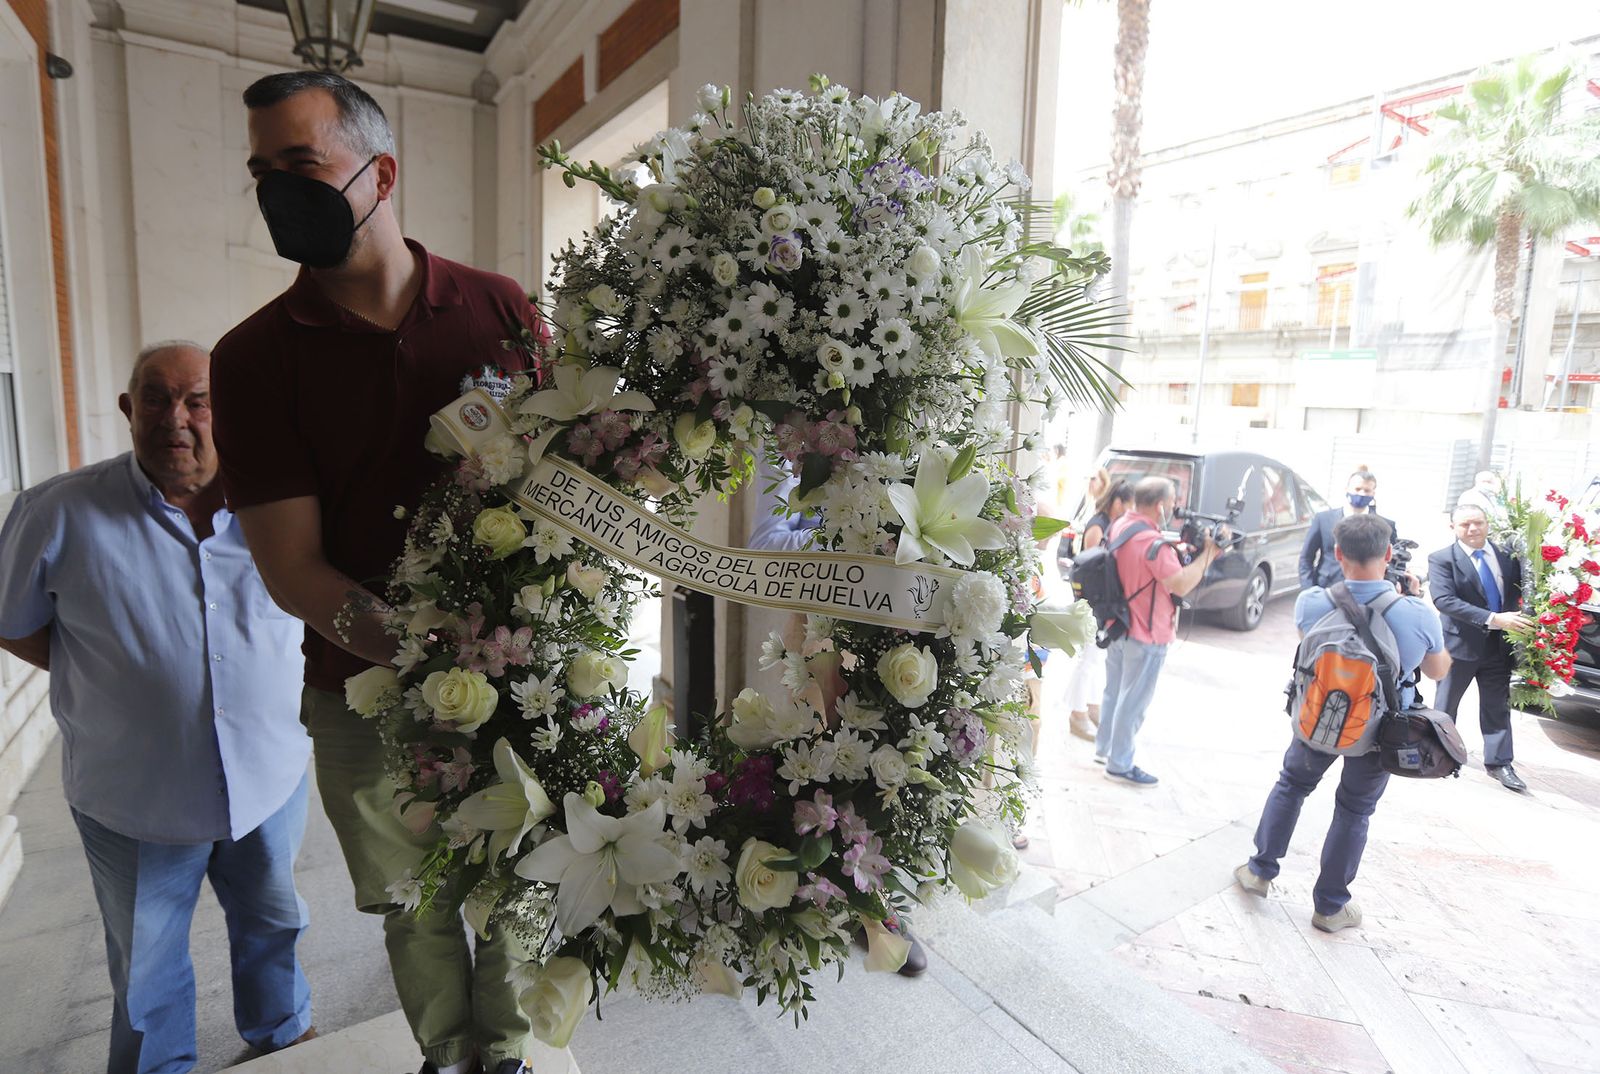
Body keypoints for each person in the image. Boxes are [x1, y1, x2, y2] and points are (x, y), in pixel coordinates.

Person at [209, 72, 545, 1074]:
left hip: (522, 679)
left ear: (379, 171)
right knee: (416, 903)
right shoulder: (254, 359)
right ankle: (448, 1056)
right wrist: (425, 653)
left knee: (525, 880)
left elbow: (558, 483)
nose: (277, 192)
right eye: (261, 174)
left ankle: (512, 1056)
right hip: (355, 696)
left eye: (300, 166)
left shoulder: (496, 309)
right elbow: (291, 565)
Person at [0, 342, 314, 1073]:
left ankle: (282, 1037)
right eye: (156, 397)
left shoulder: (279, 509)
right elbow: (12, 621)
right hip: (135, 797)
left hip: (268, 781)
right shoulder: (56, 512)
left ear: (225, 413)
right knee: (147, 969)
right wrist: (114, 678)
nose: (177, 417)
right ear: (128, 409)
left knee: (274, 925)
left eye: (198, 400)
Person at [746, 462, 929, 976]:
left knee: (890, 773)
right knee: (822, 772)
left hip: (893, 636)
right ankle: (823, 893)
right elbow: (764, 545)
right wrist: (853, 561)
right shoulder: (789, 451)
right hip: (821, 638)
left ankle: (876, 905)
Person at [1236, 514, 1448, 931]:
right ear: (1389, 554)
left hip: (1318, 724)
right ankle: (1330, 907)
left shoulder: (1311, 601)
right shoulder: (1415, 613)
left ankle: (1259, 872)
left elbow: (1311, 651)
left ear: (1337, 553)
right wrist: (1411, 601)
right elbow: (1439, 670)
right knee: (1354, 811)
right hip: (1378, 734)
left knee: (1291, 786)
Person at [1096, 477, 1228, 786]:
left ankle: (1104, 749)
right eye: (1171, 503)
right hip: (1146, 632)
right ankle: (1119, 764)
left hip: (1117, 625)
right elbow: (1180, 583)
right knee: (1134, 701)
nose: (1174, 508)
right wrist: (1210, 553)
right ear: (1159, 505)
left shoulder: (1121, 526)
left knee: (1113, 692)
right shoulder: (1153, 544)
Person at [1427, 503, 1532, 792]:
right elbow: (1444, 600)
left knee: (1497, 707)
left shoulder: (1507, 557)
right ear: (1453, 528)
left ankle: (1500, 763)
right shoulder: (1442, 559)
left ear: (1487, 524)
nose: (1473, 529)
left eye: (1478, 523)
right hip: (1459, 645)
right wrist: (1493, 619)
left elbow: (1518, 591)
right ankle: (1439, 754)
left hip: (1498, 648)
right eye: (1465, 525)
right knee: (1446, 705)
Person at [1063, 476, 1132, 744]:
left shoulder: (1107, 525)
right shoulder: (1098, 526)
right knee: (1088, 660)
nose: (1127, 511)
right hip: (1092, 604)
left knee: (1093, 659)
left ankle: (1090, 708)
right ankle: (1077, 714)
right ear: (1116, 501)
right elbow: (1092, 567)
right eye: (1126, 505)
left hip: (1098, 604)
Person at [1299, 467, 1398, 590]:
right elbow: (1306, 558)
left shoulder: (1385, 526)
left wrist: (1390, 587)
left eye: (1367, 490)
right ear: (1347, 489)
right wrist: (1309, 591)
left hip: (1370, 596)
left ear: (1373, 494)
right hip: (1328, 590)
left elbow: (1395, 562)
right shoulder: (1324, 520)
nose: (1361, 494)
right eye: (1357, 489)